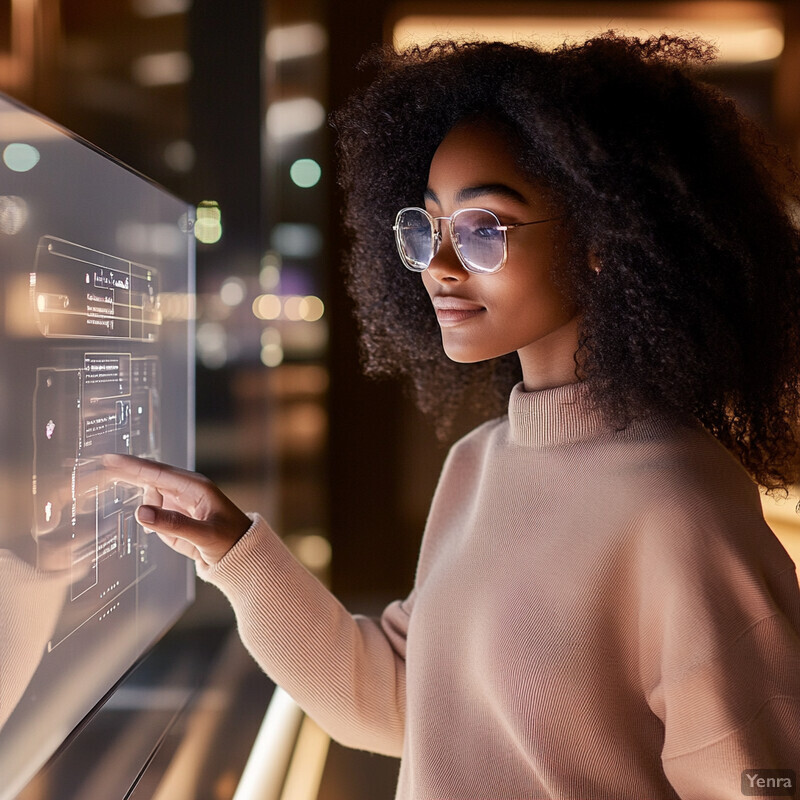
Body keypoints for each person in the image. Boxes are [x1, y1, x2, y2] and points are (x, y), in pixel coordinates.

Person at [104, 33, 800, 799]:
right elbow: (403, 699)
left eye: (481, 230)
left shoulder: (681, 506)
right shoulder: (479, 462)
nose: (439, 264)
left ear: (606, 239)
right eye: (426, 225)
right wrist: (236, 553)